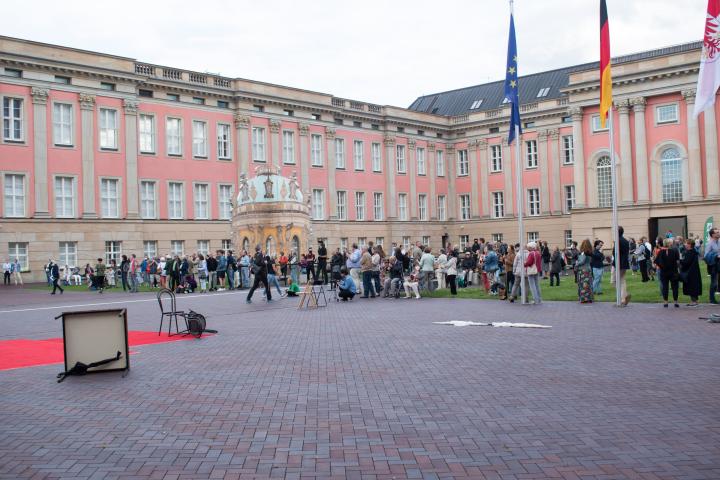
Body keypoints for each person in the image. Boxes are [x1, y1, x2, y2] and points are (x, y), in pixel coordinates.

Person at [655, 238, 680, 308]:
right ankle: (675, 302)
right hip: (673, 271)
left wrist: (662, 267)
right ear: (669, 243)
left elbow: (656, 261)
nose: (672, 243)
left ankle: (665, 302)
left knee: (665, 287)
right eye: (671, 242)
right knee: (675, 287)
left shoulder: (661, 252)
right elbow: (678, 261)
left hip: (664, 272)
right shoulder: (674, 251)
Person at [680, 239, 702, 307]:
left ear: (689, 245)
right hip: (694, 272)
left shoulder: (690, 252)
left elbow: (686, 262)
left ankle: (694, 302)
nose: (685, 244)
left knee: (691, 287)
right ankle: (695, 301)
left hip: (690, 272)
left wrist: (680, 261)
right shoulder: (693, 252)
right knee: (694, 286)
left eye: (686, 243)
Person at [616, 226, 631, 306]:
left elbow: (616, 253)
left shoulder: (618, 241)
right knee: (622, 280)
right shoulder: (625, 240)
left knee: (617, 280)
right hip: (624, 263)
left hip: (620, 263)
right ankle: (624, 297)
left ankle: (624, 297)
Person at [705, 227, 720, 304]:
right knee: (714, 282)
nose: (718, 233)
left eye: (718, 232)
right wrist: (716, 256)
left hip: (719, 263)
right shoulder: (709, 243)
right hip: (714, 265)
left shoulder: (719, 241)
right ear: (712, 234)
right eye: (717, 232)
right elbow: (706, 256)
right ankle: (712, 299)